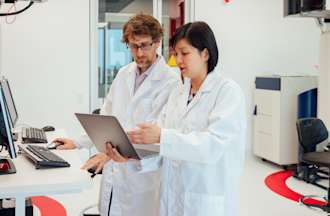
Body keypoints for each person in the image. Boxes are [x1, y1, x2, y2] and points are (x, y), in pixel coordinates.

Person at [109, 21, 246, 216]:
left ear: (205, 54)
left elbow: (212, 146)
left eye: (185, 53)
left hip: (205, 198)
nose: (178, 60)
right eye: (175, 54)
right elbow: (162, 149)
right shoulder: (179, 93)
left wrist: (162, 136)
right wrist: (131, 157)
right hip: (172, 197)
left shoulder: (227, 92)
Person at [53, 14, 179, 216]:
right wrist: (77, 142)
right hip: (115, 171)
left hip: (143, 176)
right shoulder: (124, 73)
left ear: (157, 42)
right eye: (132, 46)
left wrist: (114, 151)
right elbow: (106, 118)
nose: (138, 52)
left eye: (144, 45)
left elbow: (158, 132)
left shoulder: (171, 82)